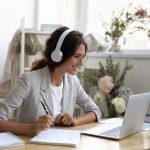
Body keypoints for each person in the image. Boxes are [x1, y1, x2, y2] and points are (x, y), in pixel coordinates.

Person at [0, 26, 101, 135]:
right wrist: (32, 129)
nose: (81, 63)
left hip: (62, 143)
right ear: (59, 55)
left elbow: (95, 111)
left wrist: (75, 120)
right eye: (77, 56)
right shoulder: (29, 81)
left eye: (83, 57)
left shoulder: (73, 82)